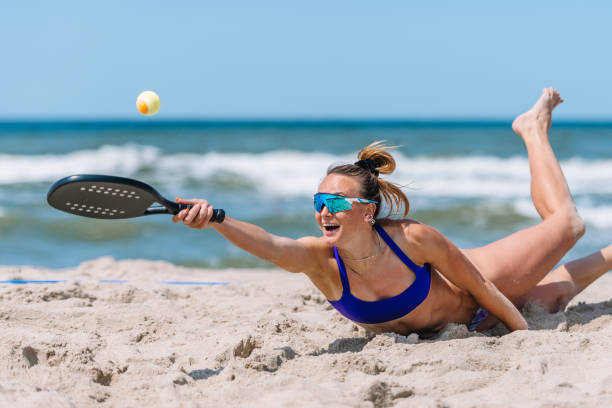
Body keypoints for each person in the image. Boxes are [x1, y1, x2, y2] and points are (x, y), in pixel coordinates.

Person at [173, 88, 612, 335]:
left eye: (336, 202)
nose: (324, 211)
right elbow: (271, 246)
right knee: (561, 292)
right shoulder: (321, 262)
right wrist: (216, 219)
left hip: (482, 288)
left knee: (569, 226)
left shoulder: (411, 238)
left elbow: (478, 285)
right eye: (318, 202)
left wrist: (523, 336)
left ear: (367, 212)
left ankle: (531, 130)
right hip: (468, 328)